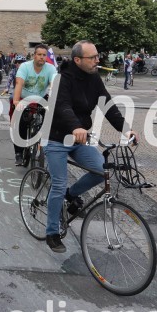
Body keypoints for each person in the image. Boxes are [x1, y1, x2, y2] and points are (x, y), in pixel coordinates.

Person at [43, 40, 138, 253]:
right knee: (58, 184)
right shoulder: (62, 79)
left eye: (97, 56)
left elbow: (108, 106)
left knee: (100, 170)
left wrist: (126, 129)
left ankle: (71, 195)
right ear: (77, 60)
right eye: (92, 57)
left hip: (80, 139)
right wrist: (75, 126)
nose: (97, 60)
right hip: (56, 139)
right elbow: (62, 106)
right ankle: (52, 233)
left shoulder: (94, 78)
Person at [12, 45, 57, 166]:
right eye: (39, 54)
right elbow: (19, 83)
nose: (42, 57)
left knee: (50, 119)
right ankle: (19, 152)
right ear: (34, 55)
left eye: (44, 55)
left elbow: (54, 85)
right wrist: (16, 101)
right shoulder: (25, 66)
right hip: (24, 98)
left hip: (41, 98)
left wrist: (53, 102)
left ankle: (43, 143)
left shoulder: (51, 68)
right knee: (21, 123)